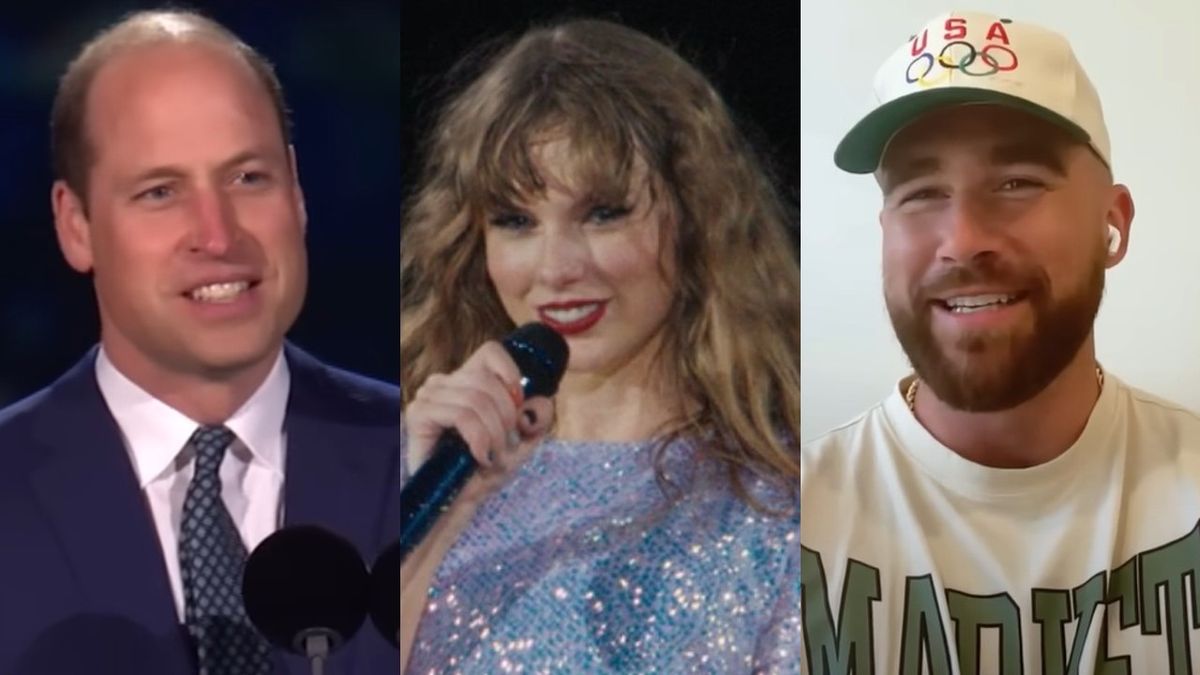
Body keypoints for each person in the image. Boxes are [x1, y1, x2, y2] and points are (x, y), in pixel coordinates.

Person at [799, 9, 1200, 673]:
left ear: (1113, 223)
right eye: (922, 191)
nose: (961, 239)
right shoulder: (784, 525)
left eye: (1017, 182)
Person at [0, 10, 399, 674]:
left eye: (248, 178)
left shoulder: (430, 464)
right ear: (76, 226)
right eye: (160, 191)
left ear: (297, 193)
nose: (217, 235)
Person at [398, 17, 800, 674]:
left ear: (696, 218)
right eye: (516, 221)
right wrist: (436, 504)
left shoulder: (784, 507)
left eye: (602, 213)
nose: (555, 268)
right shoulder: (414, 472)